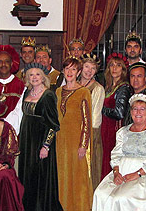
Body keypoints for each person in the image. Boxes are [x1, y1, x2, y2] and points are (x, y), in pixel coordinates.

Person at [92, 92, 146, 211]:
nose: (138, 112)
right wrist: (116, 172)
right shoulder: (123, 132)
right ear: (130, 111)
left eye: (142, 109)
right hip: (122, 171)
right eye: (135, 109)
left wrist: (137, 174)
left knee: (121, 198)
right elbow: (116, 154)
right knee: (100, 194)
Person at [18, 63, 63, 211]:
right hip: (26, 140)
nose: (34, 77)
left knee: (39, 176)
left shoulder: (48, 95)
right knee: (27, 174)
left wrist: (46, 146)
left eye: (37, 74)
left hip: (40, 141)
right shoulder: (26, 92)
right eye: (31, 74)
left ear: (43, 77)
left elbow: (53, 124)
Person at [56, 56, 93, 210]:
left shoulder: (83, 92)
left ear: (78, 72)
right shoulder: (58, 91)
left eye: (73, 69)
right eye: (67, 68)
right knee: (62, 176)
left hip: (76, 142)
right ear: (63, 71)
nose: (70, 72)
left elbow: (87, 121)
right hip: (60, 142)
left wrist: (83, 145)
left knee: (77, 177)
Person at [101, 53, 132, 178]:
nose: (114, 68)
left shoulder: (123, 88)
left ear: (123, 69)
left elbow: (119, 113)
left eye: (118, 65)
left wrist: (101, 109)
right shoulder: (109, 87)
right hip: (106, 128)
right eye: (112, 65)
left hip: (114, 130)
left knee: (112, 161)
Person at [79, 53, 106, 190]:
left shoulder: (97, 89)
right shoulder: (74, 85)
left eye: (93, 68)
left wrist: (87, 140)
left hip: (89, 135)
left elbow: (95, 119)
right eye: (86, 66)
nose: (89, 71)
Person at [0, 45, 25, 132]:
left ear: (11, 63)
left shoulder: (21, 85)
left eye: (6, 61)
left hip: (12, 130)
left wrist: (5, 128)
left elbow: (19, 111)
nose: (3, 65)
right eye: (0, 62)